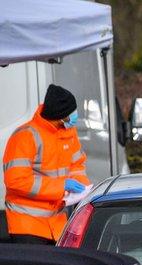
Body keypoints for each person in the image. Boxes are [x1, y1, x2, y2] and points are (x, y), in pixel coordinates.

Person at [2, 84, 89, 244]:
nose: (75, 115)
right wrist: (61, 186)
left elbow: (77, 164)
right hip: (27, 225)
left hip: (57, 223)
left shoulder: (68, 132)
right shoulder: (25, 136)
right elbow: (16, 181)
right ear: (61, 115)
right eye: (72, 112)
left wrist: (82, 187)